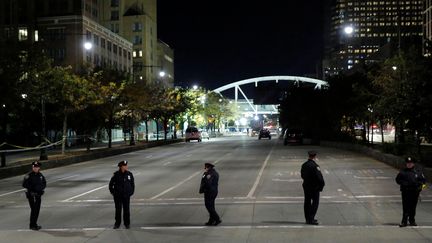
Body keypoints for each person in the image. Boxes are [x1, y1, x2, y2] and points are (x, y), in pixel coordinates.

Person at [396, 157, 426, 227]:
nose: (409, 164)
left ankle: (412, 220)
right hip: (406, 192)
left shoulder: (418, 172)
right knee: (406, 207)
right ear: (406, 164)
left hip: (415, 192)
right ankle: (404, 221)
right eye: (408, 163)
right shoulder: (402, 172)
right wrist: (404, 184)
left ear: (413, 164)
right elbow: (397, 180)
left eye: (410, 163)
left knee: (413, 207)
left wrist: (420, 188)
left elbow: (424, 182)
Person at [301, 151, 325, 225]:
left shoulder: (304, 165)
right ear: (314, 156)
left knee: (307, 202)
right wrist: (321, 186)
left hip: (306, 186)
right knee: (315, 202)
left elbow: (302, 175)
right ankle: (311, 218)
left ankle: (307, 218)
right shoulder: (315, 166)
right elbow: (320, 178)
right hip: (314, 187)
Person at [109, 160, 135, 229]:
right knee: (118, 210)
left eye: (126, 165)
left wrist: (131, 192)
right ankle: (117, 223)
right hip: (118, 196)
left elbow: (132, 184)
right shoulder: (116, 175)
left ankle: (127, 223)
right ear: (121, 167)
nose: (126, 167)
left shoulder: (129, 174)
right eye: (125, 166)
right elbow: (111, 184)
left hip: (126, 195)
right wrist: (113, 192)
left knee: (126, 210)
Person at [22, 161, 46, 230]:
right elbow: (24, 184)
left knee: (37, 210)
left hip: (38, 195)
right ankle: (32, 225)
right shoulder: (28, 175)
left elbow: (44, 183)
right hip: (32, 195)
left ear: (39, 168)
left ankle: (34, 224)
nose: (36, 168)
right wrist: (33, 189)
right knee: (34, 210)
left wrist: (41, 189)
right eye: (34, 167)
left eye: (37, 167)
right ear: (32, 167)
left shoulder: (40, 175)